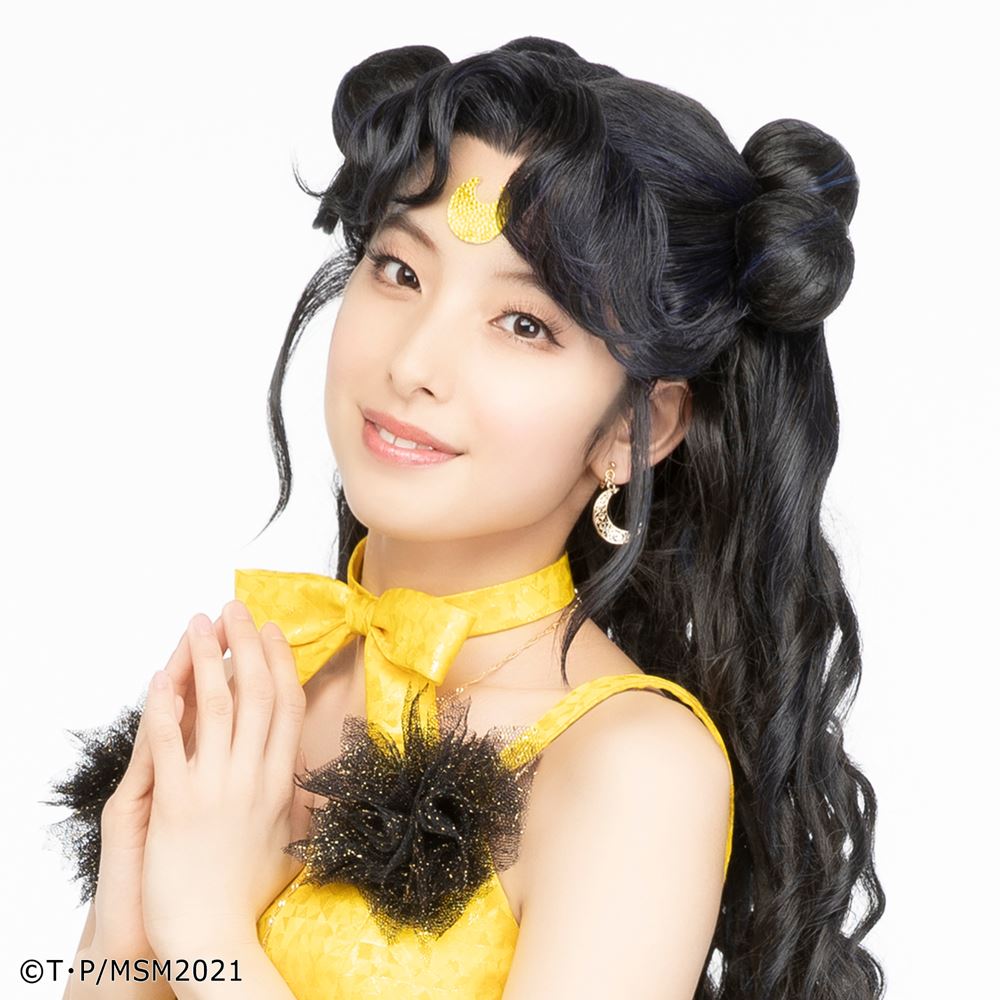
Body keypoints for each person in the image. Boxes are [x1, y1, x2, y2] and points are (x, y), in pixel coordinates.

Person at [48, 36, 886, 1000]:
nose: (412, 363)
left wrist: (206, 928)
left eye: (525, 325)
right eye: (400, 271)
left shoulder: (632, 768)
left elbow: (203, 936)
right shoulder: (266, 684)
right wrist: (131, 917)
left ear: (637, 429)